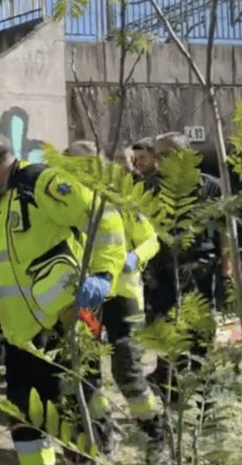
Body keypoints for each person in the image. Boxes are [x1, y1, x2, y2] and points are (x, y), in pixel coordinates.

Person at [0, 130, 125, 465]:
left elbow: (102, 216)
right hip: (21, 339)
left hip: (65, 325)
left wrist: (105, 274)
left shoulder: (41, 184)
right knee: (24, 419)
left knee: (76, 417)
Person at [65, 139, 168, 462]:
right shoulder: (63, 202)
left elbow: (151, 239)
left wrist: (136, 257)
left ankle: (157, 432)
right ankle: (100, 433)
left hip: (123, 296)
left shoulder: (120, 198)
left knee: (127, 371)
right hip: (85, 300)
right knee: (87, 371)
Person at [133, 133, 225, 406]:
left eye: (166, 154)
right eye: (158, 155)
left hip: (201, 270)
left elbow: (223, 234)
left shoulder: (211, 187)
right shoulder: (148, 188)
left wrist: (229, 274)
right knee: (166, 336)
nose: (159, 160)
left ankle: (206, 401)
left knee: (200, 337)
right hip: (162, 272)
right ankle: (170, 397)